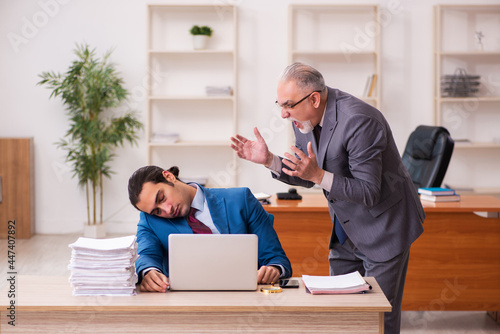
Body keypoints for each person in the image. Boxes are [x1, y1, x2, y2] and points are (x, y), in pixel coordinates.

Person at [230, 62, 425, 333]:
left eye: (288, 105)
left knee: (378, 318)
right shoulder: (304, 117)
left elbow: (368, 191)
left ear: (314, 98)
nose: (284, 114)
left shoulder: (360, 121)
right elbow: (306, 172)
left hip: (385, 225)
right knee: (340, 313)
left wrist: (318, 175)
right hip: (346, 227)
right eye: (280, 104)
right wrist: (270, 161)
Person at [128, 165, 292, 293]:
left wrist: (274, 269)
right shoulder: (150, 220)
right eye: (157, 211)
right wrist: (149, 272)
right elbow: (145, 255)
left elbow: (277, 258)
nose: (166, 210)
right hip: (188, 304)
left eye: (162, 198)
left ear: (169, 177)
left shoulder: (241, 200)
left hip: (246, 297)